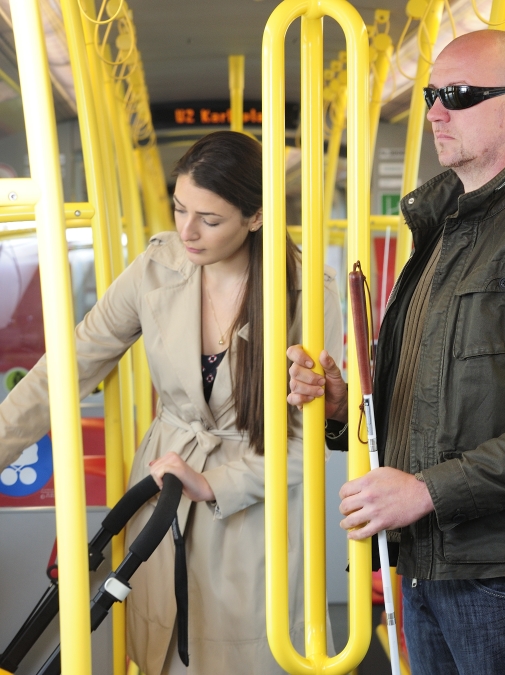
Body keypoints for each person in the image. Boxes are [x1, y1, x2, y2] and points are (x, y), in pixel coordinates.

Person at [288, 29, 505, 674]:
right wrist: (343, 412)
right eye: (431, 94)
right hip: (429, 558)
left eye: (460, 94)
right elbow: (436, 398)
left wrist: (425, 491)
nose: (437, 111)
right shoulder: (444, 230)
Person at [0, 131, 343, 675]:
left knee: (240, 654)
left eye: (208, 219)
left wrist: (216, 483)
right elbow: (68, 368)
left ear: (255, 218)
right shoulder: (156, 269)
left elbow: (304, 445)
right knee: (161, 650)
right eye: (180, 208)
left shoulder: (310, 294)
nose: (186, 230)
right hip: (163, 489)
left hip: (251, 504)